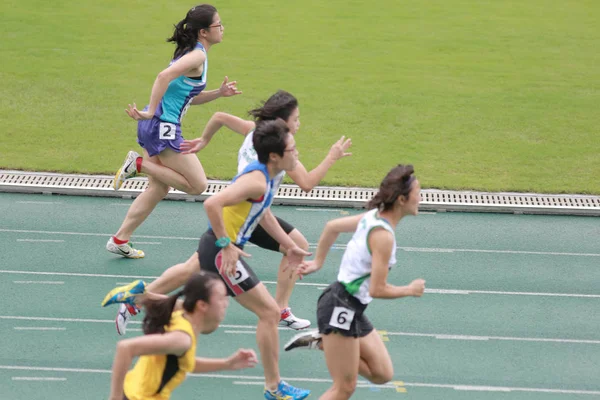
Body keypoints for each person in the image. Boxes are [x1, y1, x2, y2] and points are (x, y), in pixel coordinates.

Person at [110, 120, 311, 400]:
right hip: (221, 251)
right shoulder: (256, 178)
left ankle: (140, 298)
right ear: (275, 156)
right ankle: (274, 387)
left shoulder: (267, 176)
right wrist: (226, 245)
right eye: (292, 149)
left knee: (201, 305)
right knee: (268, 313)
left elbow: (263, 212)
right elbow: (211, 203)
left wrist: (289, 246)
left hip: (222, 248)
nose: (297, 153)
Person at [179, 90, 352, 329]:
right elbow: (307, 183)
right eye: (296, 119)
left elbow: (218, 116)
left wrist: (204, 140)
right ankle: (147, 300)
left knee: (193, 267)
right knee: (196, 270)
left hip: (254, 210)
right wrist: (331, 157)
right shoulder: (279, 153)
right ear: (282, 123)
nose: (299, 124)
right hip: (244, 215)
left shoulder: (255, 131)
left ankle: (141, 298)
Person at [106, 4, 241, 259]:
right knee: (198, 185)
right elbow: (162, 76)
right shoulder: (197, 56)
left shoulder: (194, 52)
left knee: (158, 189)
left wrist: (218, 94)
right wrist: (151, 110)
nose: (223, 29)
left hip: (154, 125)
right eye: (218, 25)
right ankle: (138, 164)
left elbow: (187, 96)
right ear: (203, 32)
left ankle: (119, 239)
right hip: (161, 127)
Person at [283, 164, 426, 400]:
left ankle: (324, 342)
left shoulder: (373, 217)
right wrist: (409, 290)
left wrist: (318, 262)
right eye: (418, 193)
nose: (421, 197)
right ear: (401, 199)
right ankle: (328, 340)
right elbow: (377, 289)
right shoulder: (383, 236)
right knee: (344, 388)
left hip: (352, 307)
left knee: (382, 373)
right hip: (340, 305)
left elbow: (332, 227)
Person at [101, 272, 259, 400]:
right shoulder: (182, 339)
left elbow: (185, 363)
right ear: (202, 306)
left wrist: (227, 364)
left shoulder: (183, 316)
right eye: (220, 298)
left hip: (131, 391)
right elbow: (125, 348)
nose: (226, 303)